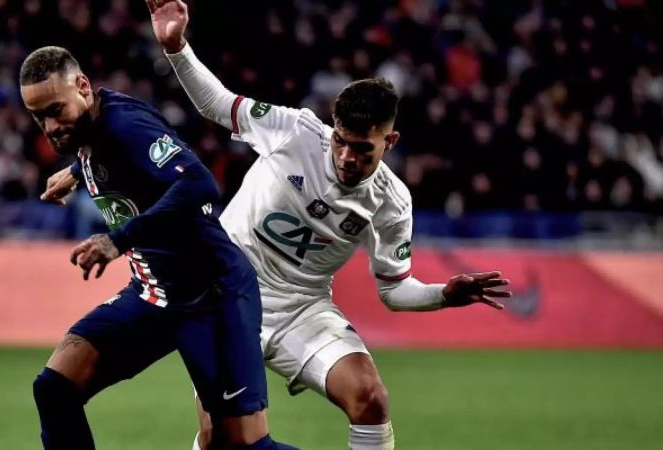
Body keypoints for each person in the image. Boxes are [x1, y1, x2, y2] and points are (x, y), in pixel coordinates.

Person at [117, 1, 510, 449]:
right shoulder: (295, 131)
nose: (346, 157)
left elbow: (394, 291)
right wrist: (176, 47)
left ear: (390, 141)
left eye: (363, 149)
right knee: (221, 440)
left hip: (301, 308)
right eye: (341, 141)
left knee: (370, 399)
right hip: (225, 292)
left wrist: (444, 295)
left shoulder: (392, 202)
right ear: (332, 127)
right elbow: (218, 104)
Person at [19, 46, 298, 450]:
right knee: (55, 388)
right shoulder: (90, 129)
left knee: (240, 445)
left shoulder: (126, 124)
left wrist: (119, 240)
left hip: (211, 295)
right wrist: (80, 171)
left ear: (82, 87)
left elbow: (198, 183)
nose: (49, 126)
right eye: (37, 116)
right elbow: (118, 157)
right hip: (155, 295)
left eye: (55, 110)